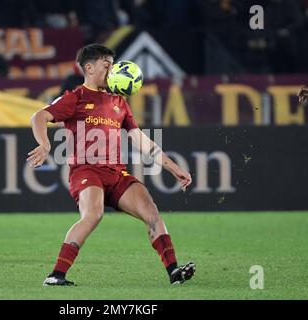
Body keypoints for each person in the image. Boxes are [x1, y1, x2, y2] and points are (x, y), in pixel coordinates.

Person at [28, 44, 195, 286]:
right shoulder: (75, 98)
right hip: (86, 170)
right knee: (93, 214)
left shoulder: (119, 101)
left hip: (117, 173)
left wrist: (173, 167)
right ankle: (56, 275)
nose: (112, 69)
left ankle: (173, 271)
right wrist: (44, 144)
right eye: (107, 65)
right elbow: (39, 116)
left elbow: (140, 140)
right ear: (89, 67)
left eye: (112, 65)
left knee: (152, 213)